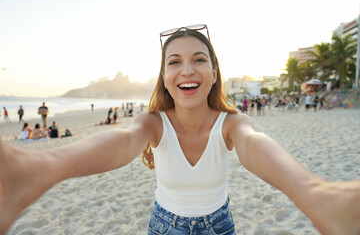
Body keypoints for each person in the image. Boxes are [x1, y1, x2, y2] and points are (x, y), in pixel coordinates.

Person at [0, 26, 360, 235]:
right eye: (175, 62)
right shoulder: (153, 122)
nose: (187, 70)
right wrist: (46, 168)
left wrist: (312, 191)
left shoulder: (232, 123)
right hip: (163, 225)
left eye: (199, 59)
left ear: (214, 73)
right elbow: (124, 141)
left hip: (220, 225)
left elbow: (254, 146)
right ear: (165, 78)